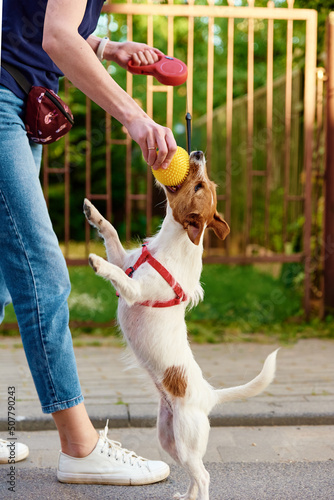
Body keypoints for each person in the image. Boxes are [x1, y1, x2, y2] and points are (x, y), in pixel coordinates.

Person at [0, 0, 176, 485]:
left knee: (0, 280)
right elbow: (58, 37)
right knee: (43, 274)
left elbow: (32, 23)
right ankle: (80, 448)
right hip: (3, 103)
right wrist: (134, 116)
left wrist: (107, 46)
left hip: (20, 99)